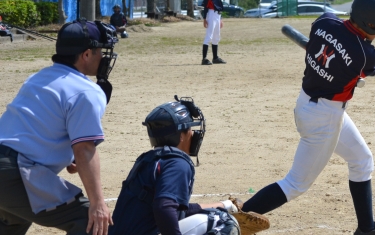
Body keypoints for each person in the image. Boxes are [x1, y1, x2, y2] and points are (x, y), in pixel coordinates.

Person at [240, 0, 375, 235]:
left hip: (309, 104)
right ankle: (235, 220)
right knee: (295, 184)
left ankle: (366, 229)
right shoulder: (366, 56)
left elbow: (330, 37)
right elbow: (357, 63)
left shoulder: (325, 20)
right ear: (369, 23)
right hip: (324, 118)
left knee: (362, 160)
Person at [0, 19, 118, 235]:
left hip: (10, 170)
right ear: (86, 54)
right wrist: (98, 203)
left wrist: (66, 155)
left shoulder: (38, 77)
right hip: (13, 174)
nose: (103, 57)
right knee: (92, 223)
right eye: (100, 51)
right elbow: (85, 149)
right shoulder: (86, 91)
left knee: (14, 221)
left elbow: (36, 126)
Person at [109, 97, 268, 235]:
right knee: (222, 221)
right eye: (190, 129)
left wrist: (223, 205)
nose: (193, 133)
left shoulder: (149, 160)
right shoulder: (177, 163)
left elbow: (176, 210)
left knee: (218, 212)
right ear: (181, 135)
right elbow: (164, 208)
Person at [201, 0, 226, 65]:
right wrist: (205, 18)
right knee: (209, 36)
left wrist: (220, 19)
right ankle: (204, 59)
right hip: (211, 14)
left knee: (216, 36)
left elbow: (219, 7)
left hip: (217, 15)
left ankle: (215, 58)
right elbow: (205, 6)